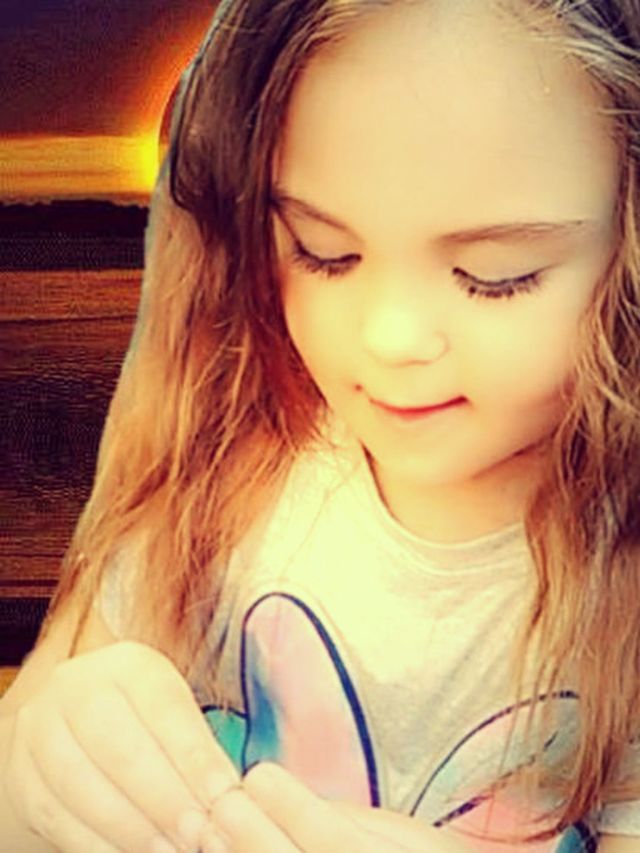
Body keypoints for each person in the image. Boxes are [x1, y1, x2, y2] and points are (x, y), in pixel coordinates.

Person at [1, 0, 639, 850]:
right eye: (323, 251)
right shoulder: (223, 484)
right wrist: (39, 769)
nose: (389, 337)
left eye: (496, 274)